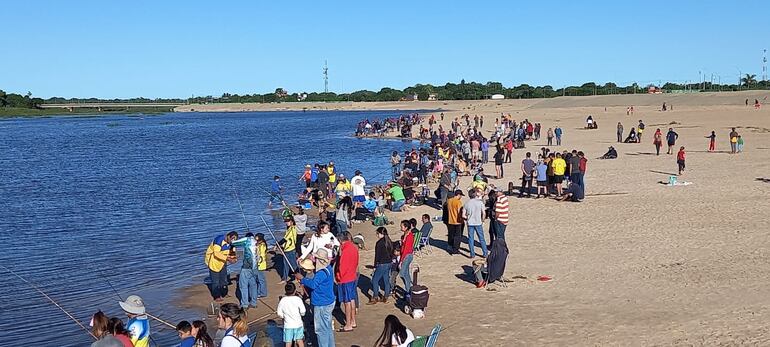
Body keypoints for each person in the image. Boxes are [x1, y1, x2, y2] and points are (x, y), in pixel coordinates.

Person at [297, 249, 336, 347]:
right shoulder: (329, 268)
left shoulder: (321, 272)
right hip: (328, 301)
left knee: (321, 330)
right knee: (327, 328)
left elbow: (313, 284)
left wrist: (302, 279)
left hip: (322, 303)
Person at [204, 231, 238, 302]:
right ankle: (216, 296)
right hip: (214, 262)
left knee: (224, 279)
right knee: (215, 281)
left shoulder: (231, 243)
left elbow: (232, 251)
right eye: (231, 239)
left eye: (234, 240)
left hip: (223, 262)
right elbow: (216, 253)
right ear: (228, 236)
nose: (232, 241)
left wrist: (233, 258)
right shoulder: (218, 240)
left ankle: (224, 293)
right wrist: (228, 259)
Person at [336, 232, 359, 332]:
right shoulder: (354, 247)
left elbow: (342, 267)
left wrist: (338, 277)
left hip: (345, 278)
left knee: (347, 302)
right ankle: (353, 321)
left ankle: (348, 324)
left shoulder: (345, 250)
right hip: (352, 276)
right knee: (352, 299)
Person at [231, 232, 259, 310]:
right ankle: (253, 302)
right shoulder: (256, 242)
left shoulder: (247, 240)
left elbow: (234, 243)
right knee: (253, 285)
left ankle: (244, 304)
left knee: (243, 286)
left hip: (247, 267)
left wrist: (233, 239)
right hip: (255, 267)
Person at [369, 227, 394, 304]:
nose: (377, 235)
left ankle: (375, 297)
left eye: (377, 233)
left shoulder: (379, 243)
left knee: (375, 280)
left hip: (382, 264)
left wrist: (374, 266)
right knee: (386, 280)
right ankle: (386, 296)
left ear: (381, 234)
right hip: (389, 263)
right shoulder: (389, 241)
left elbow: (377, 256)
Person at [276, 282, 306, 347]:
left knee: (288, 342)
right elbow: (303, 311)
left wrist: (284, 316)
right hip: (298, 324)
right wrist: (301, 314)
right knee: (299, 340)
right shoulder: (298, 299)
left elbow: (279, 313)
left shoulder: (283, 300)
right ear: (295, 290)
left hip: (288, 325)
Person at [463, 190, 487, 258]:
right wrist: (483, 220)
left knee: (471, 239)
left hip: (470, 223)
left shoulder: (467, 203)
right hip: (478, 222)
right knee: (481, 238)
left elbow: (463, 215)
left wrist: (467, 218)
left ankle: (472, 254)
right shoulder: (480, 203)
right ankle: (485, 253)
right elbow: (484, 213)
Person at [398, 220, 416, 297]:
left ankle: (409, 289)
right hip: (406, 255)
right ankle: (408, 290)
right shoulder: (405, 235)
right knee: (406, 273)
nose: (400, 227)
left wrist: (401, 261)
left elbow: (406, 249)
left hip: (407, 256)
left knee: (402, 273)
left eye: (402, 226)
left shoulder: (409, 236)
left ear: (406, 227)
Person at [277, 218, 298, 283]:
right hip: (286, 249)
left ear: (292, 221)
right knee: (285, 264)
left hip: (291, 249)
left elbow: (285, 239)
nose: (286, 223)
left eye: (288, 221)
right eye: (286, 221)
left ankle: (297, 277)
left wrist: (277, 244)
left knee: (293, 264)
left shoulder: (293, 229)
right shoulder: (288, 229)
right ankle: (284, 278)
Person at [446, 190, 465, 255]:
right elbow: (459, 212)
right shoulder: (458, 202)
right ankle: (455, 249)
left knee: (451, 234)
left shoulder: (449, 201)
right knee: (457, 236)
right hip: (457, 221)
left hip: (450, 220)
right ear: (459, 195)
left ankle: (450, 246)